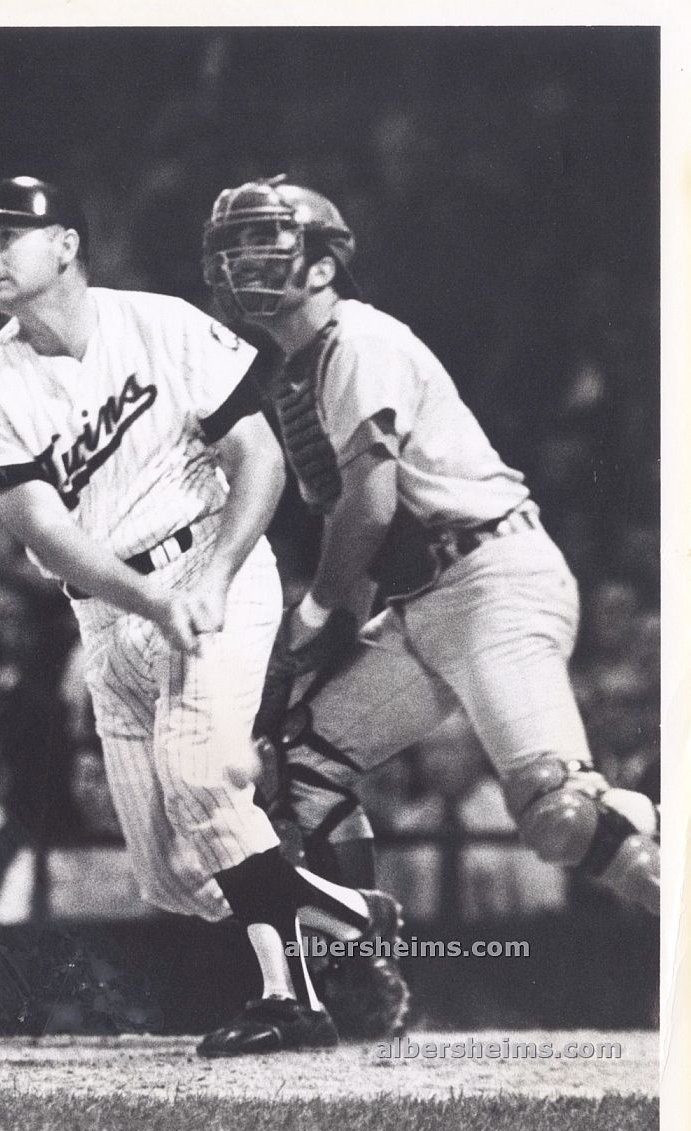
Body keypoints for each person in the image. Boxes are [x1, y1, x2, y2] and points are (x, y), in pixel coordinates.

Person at [0, 174, 401, 1056]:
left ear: (67, 245)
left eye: (10, 236)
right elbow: (41, 527)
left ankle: (289, 998)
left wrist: (218, 574)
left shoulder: (160, 323)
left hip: (208, 563)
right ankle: (346, 906)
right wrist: (153, 602)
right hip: (113, 612)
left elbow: (256, 453)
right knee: (173, 873)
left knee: (199, 776)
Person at [201, 175, 660, 917]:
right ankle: (362, 976)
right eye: (233, 249)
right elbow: (349, 537)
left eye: (265, 244)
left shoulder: (359, 338)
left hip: (493, 579)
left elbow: (371, 509)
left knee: (557, 816)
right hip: (425, 603)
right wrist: (295, 659)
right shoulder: (298, 378)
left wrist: (313, 616)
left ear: (322, 265)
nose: (243, 264)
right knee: (299, 768)